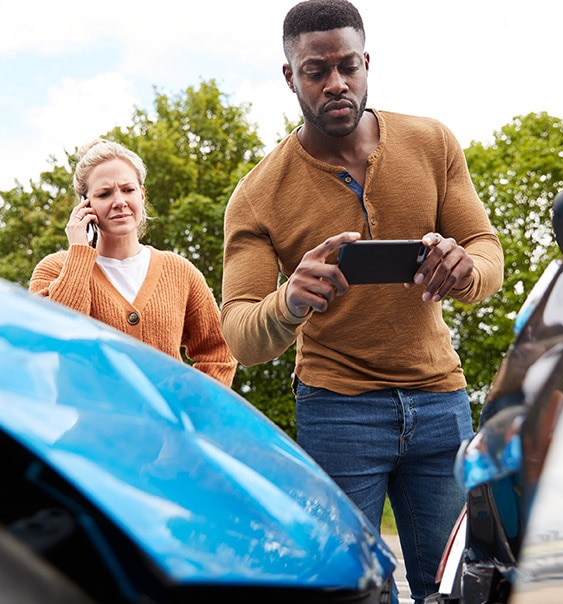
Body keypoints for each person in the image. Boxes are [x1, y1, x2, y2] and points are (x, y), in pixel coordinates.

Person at [219, 1, 504, 601]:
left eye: (348, 65)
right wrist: (289, 301)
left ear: (366, 62)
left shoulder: (432, 142)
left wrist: (465, 269)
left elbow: (485, 248)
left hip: (440, 400)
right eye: (316, 71)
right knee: (354, 591)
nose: (336, 83)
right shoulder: (256, 195)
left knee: (455, 587)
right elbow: (241, 333)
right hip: (337, 410)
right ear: (290, 76)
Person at [30, 137, 237, 387]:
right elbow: (58, 340)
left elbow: (219, 353)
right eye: (105, 194)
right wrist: (79, 253)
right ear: (85, 205)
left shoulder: (180, 272)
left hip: (165, 426)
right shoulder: (54, 269)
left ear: (141, 194)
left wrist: (193, 408)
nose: (119, 201)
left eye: (128, 190)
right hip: (90, 424)